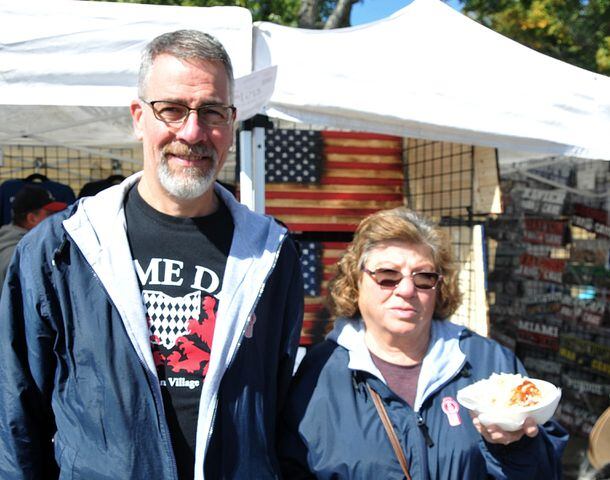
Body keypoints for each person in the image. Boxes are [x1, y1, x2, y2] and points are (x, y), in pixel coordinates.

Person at [0, 30, 304, 480]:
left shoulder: (272, 254)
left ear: (232, 121)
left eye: (212, 111)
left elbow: (280, 413)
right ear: (139, 117)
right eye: (173, 110)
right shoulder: (60, 249)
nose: (193, 131)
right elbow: (15, 413)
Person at [278, 207, 568, 479]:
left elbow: (546, 470)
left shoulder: (490, 365)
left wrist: (517, 447)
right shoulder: (317, 375)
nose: (406, 290)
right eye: (387, 277)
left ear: (439, 286)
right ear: (356, 282)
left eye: (424, 277)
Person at [0, 184, 67, 285]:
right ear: (32, 218)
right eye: (50, 214)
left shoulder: (16, 245)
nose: (56, 218)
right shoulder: (20, 255)